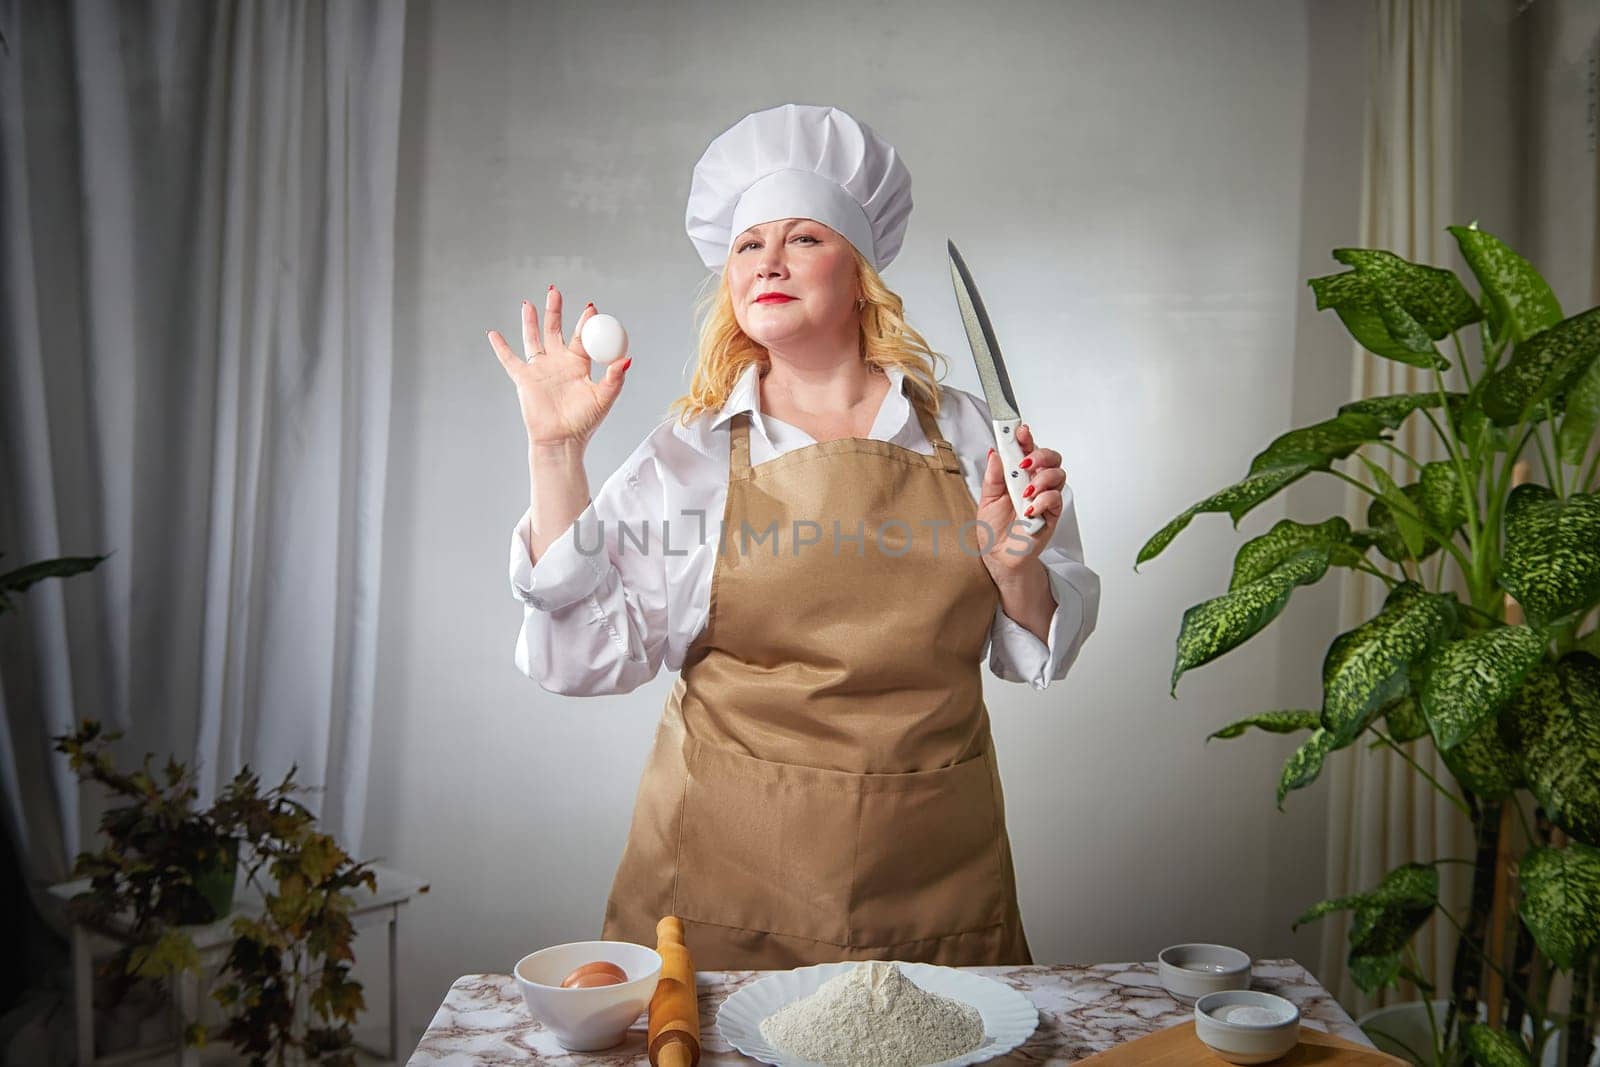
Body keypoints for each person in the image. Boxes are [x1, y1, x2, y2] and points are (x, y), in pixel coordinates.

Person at [489, 104, 1100, 970]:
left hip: (934, 878)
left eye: (804, 238)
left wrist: (1015, 569)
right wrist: (556, 452)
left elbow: (1041, 649)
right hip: (722, 887)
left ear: (862, 277)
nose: (769, 261)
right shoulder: (692, 452)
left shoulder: (973, 439)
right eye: (748, 245)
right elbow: (581, 659)